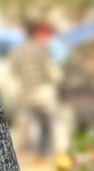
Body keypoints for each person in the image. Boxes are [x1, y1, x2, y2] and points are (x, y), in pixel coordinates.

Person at [7, 20, 67, 160]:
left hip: (26, 95)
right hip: (44, 94)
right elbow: (53, 74)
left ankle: (36, 155)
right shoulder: (41, 50)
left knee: (33, 127)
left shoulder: (18, 51)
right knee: (52, 125)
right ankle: (56, 154)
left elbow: (12, 72)